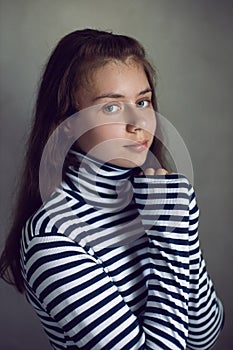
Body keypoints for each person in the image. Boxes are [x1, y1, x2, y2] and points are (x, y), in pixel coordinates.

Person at [0, 29, 224, 350]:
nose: (139, 123)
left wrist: (178, 233)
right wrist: (171, 240)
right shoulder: (52, 239)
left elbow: (204, 336)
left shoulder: (157, 198)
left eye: (142, 101)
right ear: (66, 124)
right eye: (111, 107)